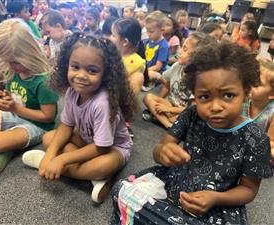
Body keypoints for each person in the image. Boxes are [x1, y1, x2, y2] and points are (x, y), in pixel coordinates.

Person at [111, 41, 273, 225]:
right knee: (121, 190)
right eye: (204, 97)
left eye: (228, 95)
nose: (216, 107)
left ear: (245, 93)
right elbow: (161, 148)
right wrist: (163, 152)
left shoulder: (256, 138)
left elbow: (248, 189)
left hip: (218, 200)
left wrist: (215, 198)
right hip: (174, 181)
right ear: (195, 96)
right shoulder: (192, 114)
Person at [22, 33, 136, 204]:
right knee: (48, 139)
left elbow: (101, 148)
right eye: (75, 67)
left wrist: (60, 159)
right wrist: (51, 153)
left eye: (92, 70)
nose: (81, 75)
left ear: (105, 74)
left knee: (102, 165)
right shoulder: (72, 91)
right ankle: (91, 176)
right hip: (88, 141)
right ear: (66, 65)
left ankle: (60, 168)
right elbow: (66, 126)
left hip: (112, 148)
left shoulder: (103, 103)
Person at [0, 19, 59, 176]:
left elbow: (48, 117)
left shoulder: (44, 80)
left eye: (15, 62)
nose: (10, 66)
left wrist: (15, 108)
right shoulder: (11, 69)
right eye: (6, 61)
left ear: (29, 53)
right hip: (15, 114)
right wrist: (0, 97)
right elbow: (12, 94)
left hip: (36, 125)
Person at [142, 32, 215, 129]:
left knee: (188, 118)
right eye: (181, 47)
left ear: (197, 57)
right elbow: (167, 84)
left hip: (184, 110)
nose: (179, 51)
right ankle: (169, 125)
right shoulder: (177, 66)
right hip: (170, 104)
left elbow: (193, 109)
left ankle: (166, 121)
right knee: (148, 97)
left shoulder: (200, 79)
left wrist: (169, 109)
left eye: (185, 49)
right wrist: (160, 103)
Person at [243, 57, 274, 161]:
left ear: (272, 94)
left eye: (258, 84)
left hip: (256, 156)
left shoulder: (272, 112)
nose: (252, 85)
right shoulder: (244, 100)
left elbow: (272, 142)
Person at [110, 17, 145, 96]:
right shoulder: (112, 53)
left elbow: (130, 96)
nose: (110, 37)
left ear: (125, 41)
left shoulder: (136, 64)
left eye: (113, 35)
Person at [142, 11, 169, 91]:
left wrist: (145, 71)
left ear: (162, 30)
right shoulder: (147, 41)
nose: (148, 34)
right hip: (146, 68)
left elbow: (158, 67)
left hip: (156, 72)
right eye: (147, 31)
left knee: (150, 74)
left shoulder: (163, 45)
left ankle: (150, 83)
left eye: (151, 32)